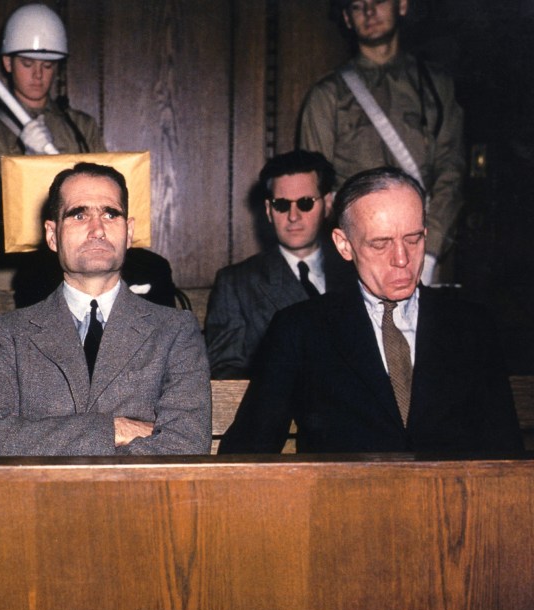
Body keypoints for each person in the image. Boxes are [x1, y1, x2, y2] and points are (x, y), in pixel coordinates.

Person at [219, 167, 521, 454]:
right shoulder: (301, 329)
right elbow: (249, 450)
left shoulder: (472, 326)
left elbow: (507, 453)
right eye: (380, 244)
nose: (401, 259)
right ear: (344, 245)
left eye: (413, 239)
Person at [0, 162, 211, 456]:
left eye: (110, 214)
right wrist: (113, 429)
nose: (97, 230)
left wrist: (44, 438)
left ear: (129, 231)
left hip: (140, 499)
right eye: (79, 215)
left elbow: (187, 443)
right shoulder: (9, 334)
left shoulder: (175, 330)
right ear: (52, 235)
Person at [297, 0, 465, 285]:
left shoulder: (436, 86)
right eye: (357, 6)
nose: (369, 12)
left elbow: (451, 172)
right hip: (356, 258)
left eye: (378, 1)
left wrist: (430, 253)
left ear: (401, 5)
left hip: (423, 249)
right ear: (348, 19)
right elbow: (315, 189)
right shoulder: (327, 95)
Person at [0, 3, 107, 290]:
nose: (38, 75)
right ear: (7, 63)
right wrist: (27, 166)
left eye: (47, 66)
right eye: (27, 64)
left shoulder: (82, 127)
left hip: (83, 259)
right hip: (18, 265)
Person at [205, 150, 356, 377]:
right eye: (282, 205)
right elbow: (224, 373)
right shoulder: (237, 284)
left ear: (327, 204)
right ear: (268, 210)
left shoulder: (356, 273)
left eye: (305, 203)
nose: (293, 216)